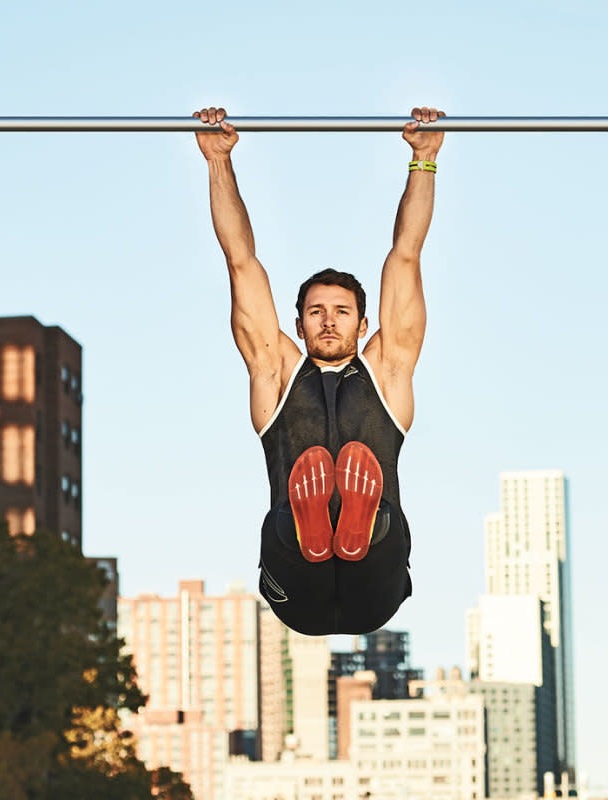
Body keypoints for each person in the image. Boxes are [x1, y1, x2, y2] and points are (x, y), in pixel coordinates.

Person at [193, 105, 444, 635]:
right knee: (294, 510)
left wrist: (424, 159)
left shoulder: (388, 369)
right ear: (299, 325)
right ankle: (320, 521)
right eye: (316, 312)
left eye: (341, 311)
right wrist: (218, 161)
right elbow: (240, 260)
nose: (329, 322)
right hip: (296, 586)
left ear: (363, 321)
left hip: (374, 581)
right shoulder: (276, 371)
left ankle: (354, 521)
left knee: (374, 520)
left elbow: (406, 256)